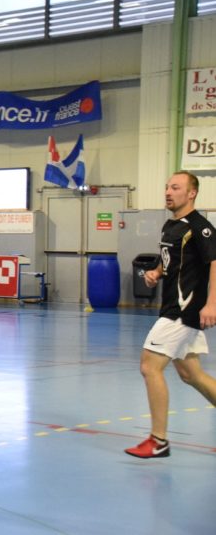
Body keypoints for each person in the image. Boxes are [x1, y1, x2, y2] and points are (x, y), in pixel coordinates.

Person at [125, 171, 216, 458]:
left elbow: (215, 263)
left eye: (175, 187)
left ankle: (159, 441)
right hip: (170, 307)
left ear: (191, 193)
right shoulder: (171, 226)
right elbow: (171, 263)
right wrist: (156, 272)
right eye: (167, 187)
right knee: (192, 374)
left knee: (149, 367)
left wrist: (212, 304)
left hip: (182, 311)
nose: (168, 192)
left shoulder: (200, 228)